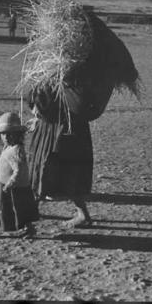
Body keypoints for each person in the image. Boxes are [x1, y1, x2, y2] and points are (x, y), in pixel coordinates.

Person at [27, 84, 94, 228]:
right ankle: (82, 214)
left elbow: (42, 105)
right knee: (69, 171)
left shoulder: (58, 79)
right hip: (72, 128)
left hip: (55, 128)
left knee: (43, 166)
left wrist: (36, 107)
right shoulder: (78, 79)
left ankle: (31, 210)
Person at [0, 112, 39, 238]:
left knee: (19, 209)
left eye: (10, 133)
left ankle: (29, 229)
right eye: (3, 134)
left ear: (18, 134)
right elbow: (1, 164)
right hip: (0, 183)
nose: (6, 137)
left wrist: (10, 183)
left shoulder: (17, 150)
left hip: (14, 187)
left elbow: (19, 170)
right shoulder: (8, 147)